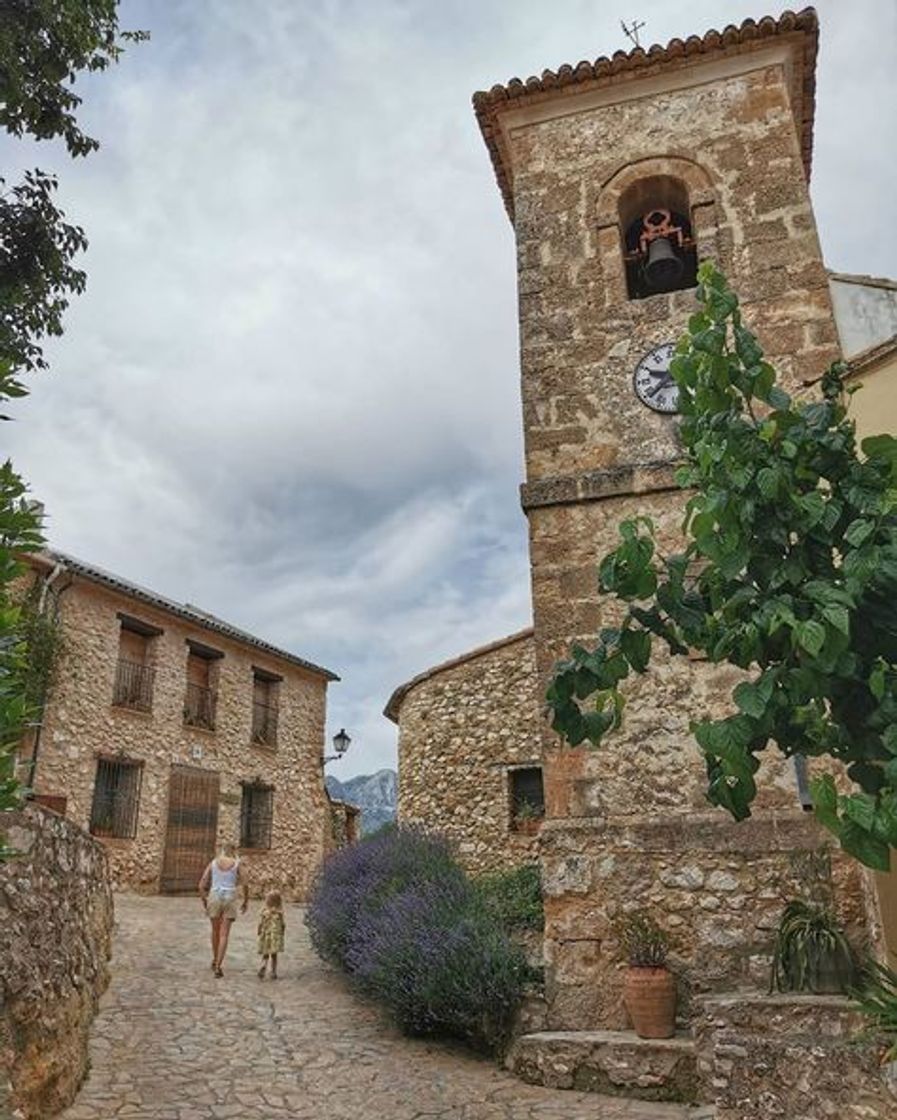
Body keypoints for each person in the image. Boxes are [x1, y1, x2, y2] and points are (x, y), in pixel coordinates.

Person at [199, 841, 248, 977]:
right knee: (224, 934)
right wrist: (246, 901)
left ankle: (215, 960)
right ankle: (219, 966)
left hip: (214, 895)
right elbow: (245, 882)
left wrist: (205, 901)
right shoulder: (237, 864)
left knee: (215, 931)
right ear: (233, 851)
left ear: (222, 850)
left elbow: (202, 883)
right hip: (230, 897)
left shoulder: (214, 863)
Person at [257, 891, 286, 979]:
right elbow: (283, 925)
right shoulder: (279, 913)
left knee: (265, 953)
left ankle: (264, 965)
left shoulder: (264, 912)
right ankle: (273, 972)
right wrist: (282, 933)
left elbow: (260, 923)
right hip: (275, 937)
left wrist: (258, 931)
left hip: (266, 935)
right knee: (274, 955)